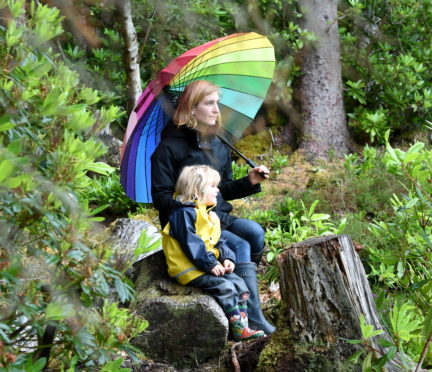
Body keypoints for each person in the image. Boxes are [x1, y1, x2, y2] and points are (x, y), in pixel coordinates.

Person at [151, 80, 275, 335]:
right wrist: (190, 204)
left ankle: (240, 293)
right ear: (191, 109)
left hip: (216, 218)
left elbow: (223, 189)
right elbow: (160, 198)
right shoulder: (168, 147)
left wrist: (249, 181)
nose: (216, 109)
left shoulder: (220, 142)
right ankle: (252, 318)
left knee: (254, 233)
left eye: (217, 103)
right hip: (188, 224)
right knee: (240, 245)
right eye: (209, 103)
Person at [162, 165, 265, 341]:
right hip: (188, 268)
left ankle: (244, 326)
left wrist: (226, 258)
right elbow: (192, 245)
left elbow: (217, 240)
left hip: (203, 265)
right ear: (197, 190)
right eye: (213, 186)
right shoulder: (183, 213)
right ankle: (238, 330)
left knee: (239, 284)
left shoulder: (209, 215)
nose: (218, 190)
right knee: (225, 287)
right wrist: (211, 264)